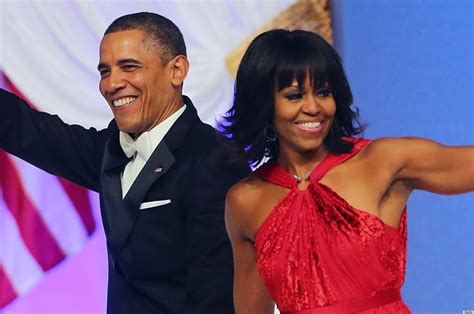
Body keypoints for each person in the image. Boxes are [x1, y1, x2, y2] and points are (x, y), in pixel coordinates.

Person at [0, 12, 249, 314]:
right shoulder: (109, 151)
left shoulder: (216, 161)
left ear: (177, 70)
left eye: (129, 67)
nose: (112, 83)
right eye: (105, 71)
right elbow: (28, 130)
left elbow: (219, 295)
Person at [222, 29, 473, 313]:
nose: (313, 107)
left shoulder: (382, 161)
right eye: (294, 96)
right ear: (263, 105)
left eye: (323, 92)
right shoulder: (244, 200)